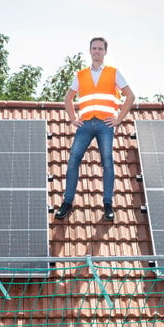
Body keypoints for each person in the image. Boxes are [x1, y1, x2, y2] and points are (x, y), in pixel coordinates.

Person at [55, 37, 135, 221]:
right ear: (90, 51)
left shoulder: (114, 72)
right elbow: (68, 98)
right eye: (94, 48)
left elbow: (130, 96)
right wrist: (73, 119)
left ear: (105, 52)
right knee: (73, 159)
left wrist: (119, 119)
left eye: (100, 48)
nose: (97, 51)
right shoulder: (81, 74)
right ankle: (67, 202)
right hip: (85, 125)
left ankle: (108, 204)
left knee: (107, 161)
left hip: (105, 125)